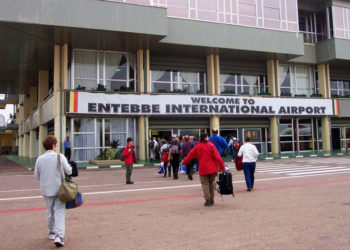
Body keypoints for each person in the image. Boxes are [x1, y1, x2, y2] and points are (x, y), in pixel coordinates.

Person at [34, 135, 72, 247]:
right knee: (59, 211)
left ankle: (51, 232)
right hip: (59, 190)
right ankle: (59, 236)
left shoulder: (39, 159)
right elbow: (69, 171)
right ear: (53, 145)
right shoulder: (59, 157)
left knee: (50, 211)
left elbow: (37, 175)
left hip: (46, 190)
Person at [182, 132, 225, 207]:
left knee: (205, 184)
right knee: (211, 184)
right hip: (212, 169)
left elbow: (190, 155)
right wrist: (222, 167)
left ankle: (207, 200)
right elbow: (218, 157)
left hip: (203, 169)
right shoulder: (211, 145)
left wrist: (184, 162)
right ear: (206, 137)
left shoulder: (197, 146)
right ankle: (212, 199)